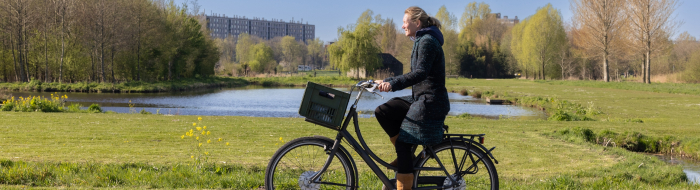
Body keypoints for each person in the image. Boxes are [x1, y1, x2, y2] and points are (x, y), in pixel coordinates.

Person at [374, 6, 449, 190]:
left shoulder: (427, 41)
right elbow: (415, 73)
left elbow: (420, 73)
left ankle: (403, 181)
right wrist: (387, 81)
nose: (402, 26)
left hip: (431, 102)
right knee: (383, 111)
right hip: (420, 98)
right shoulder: (421, 40)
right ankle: (404, 156)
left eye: (405, 22)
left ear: (417, 23)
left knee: (403, 141)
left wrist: (393, 85)